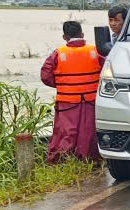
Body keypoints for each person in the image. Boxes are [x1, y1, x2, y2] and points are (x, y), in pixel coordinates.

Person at [40, 21, 104, 163]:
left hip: (67, 102)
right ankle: (90, 158)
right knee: (88, 131)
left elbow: (45, 76)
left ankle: (61, 160)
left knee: (65, 132)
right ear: (82, 34)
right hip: (91, 100)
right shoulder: (95, 51)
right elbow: (107, 71)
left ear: (64, 37)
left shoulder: (58, 54)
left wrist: (63, 84)